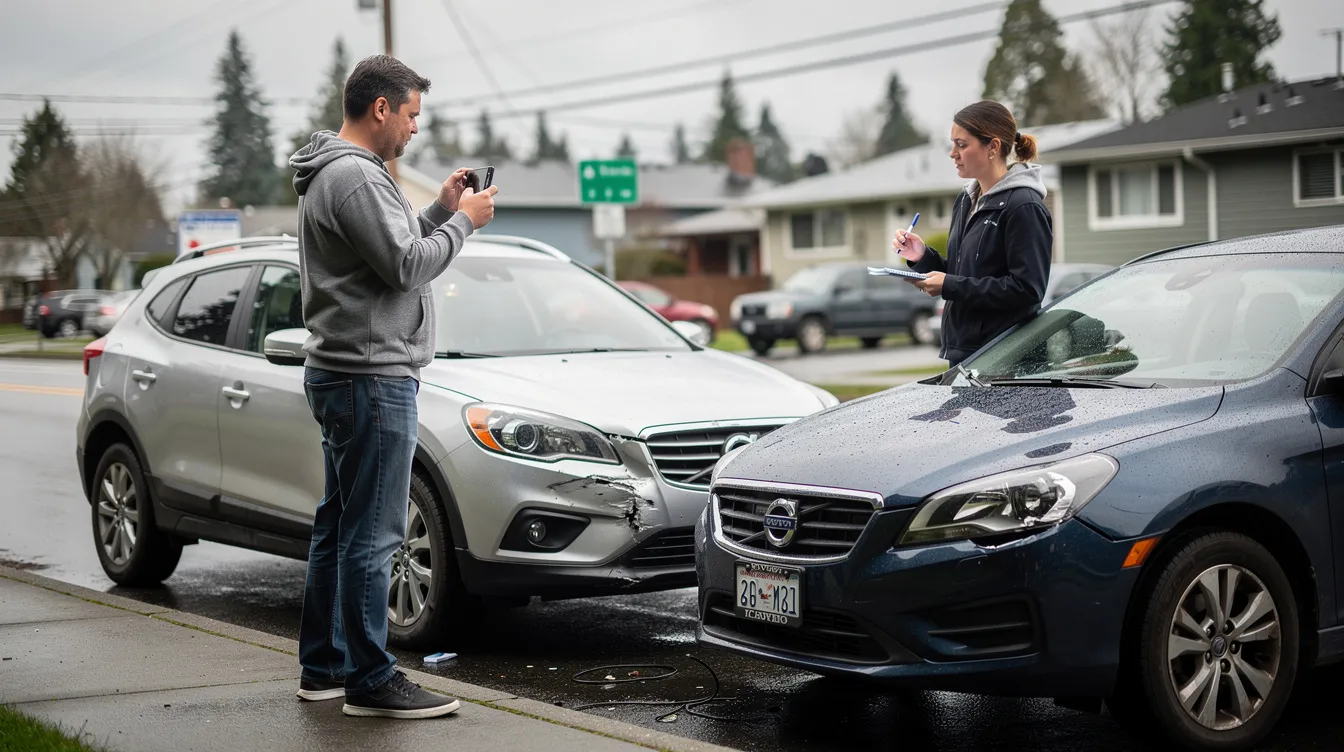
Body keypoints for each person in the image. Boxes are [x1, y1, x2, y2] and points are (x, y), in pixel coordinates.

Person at [287, 54, 497, 720]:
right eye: (410, 116)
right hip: (371, 378)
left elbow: (390, 250)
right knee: (372, 537)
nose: (412, 130)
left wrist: (440, 205)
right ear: (381, 109)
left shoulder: (345, 175)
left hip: (346, 370)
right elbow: (409, 266)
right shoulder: (354, 178)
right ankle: (370, 680)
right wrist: (467, 222)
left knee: (338, 527)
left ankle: (323, 668)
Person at [894, 100, 1052, 367]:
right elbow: (962, 275)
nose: (952, 153)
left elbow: (1027, 290)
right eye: (952, 144)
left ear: (992, 147)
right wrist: (921, 256)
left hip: (1005, 360)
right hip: (963, 353)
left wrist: (949, 285)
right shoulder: (966, 200)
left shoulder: (1024, 206)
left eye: (962, 144)